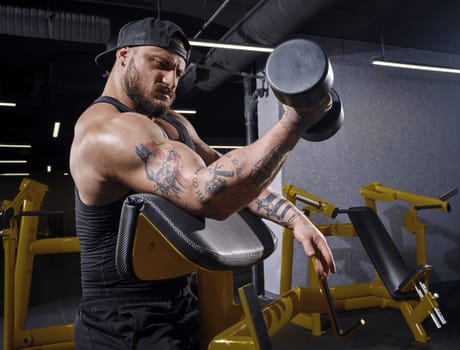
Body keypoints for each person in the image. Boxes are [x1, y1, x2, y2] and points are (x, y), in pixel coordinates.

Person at [70, 16, 336, 349]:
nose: (171, 80)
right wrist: (294, 123)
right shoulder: (106, 133)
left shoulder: (171, 122)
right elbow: (206, 194)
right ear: (123, 56)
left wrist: (296, 220)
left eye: (179, 72)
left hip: (180, 300)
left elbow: (229, 177)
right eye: (161, 65)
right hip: (123, 321)